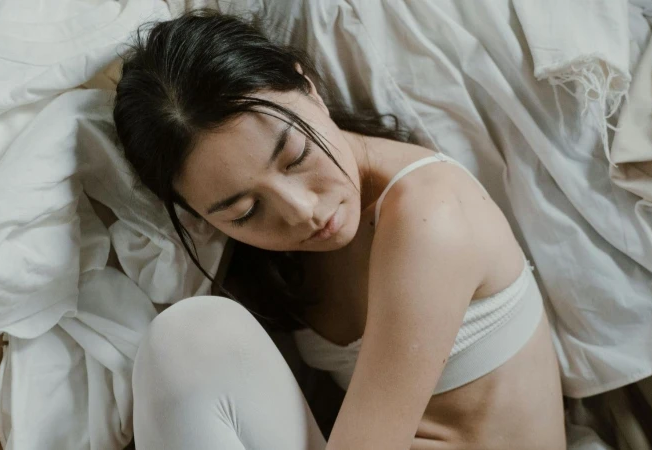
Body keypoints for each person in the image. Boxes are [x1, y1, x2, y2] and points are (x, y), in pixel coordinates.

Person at [113, 10, 566, 450]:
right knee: (187, 341)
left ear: (308, 89)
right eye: (246, 211)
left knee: (190, 336)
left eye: (295, 156)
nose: (303, 211)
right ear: (199, 218)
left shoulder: (431, 214)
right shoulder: (274, 261)